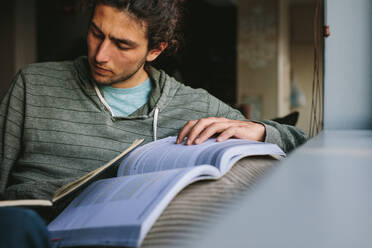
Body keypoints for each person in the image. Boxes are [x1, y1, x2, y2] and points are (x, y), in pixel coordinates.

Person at [0, 0, 306, 213]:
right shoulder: (34, 84)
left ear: (155, 50)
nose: (101, 55)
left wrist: (261, 129)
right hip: (30, 227)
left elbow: (305, 146)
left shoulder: (194, 105)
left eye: (122, 45)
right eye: (96, 33)